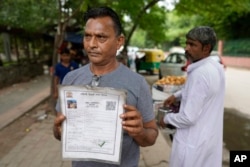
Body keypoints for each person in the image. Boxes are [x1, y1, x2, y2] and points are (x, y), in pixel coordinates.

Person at [53, 6, 158, 167]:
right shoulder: (71, 79)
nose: (92, 44)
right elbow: (60, 132)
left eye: (101, 37)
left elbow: (151, 136)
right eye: (88, 36)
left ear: (119, 41)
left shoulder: (137, 83)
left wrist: (140, 132)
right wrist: (58, 130)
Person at [159, 26, 225, 167]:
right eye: (187, 43)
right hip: (208, 140)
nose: (186, 48)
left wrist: (166, 118)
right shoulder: (215, 67)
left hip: (193, 144)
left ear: (206, 48)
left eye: (192, 45)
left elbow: (188, 117)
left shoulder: (199, 74)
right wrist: (176, 96)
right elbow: (203, 91)